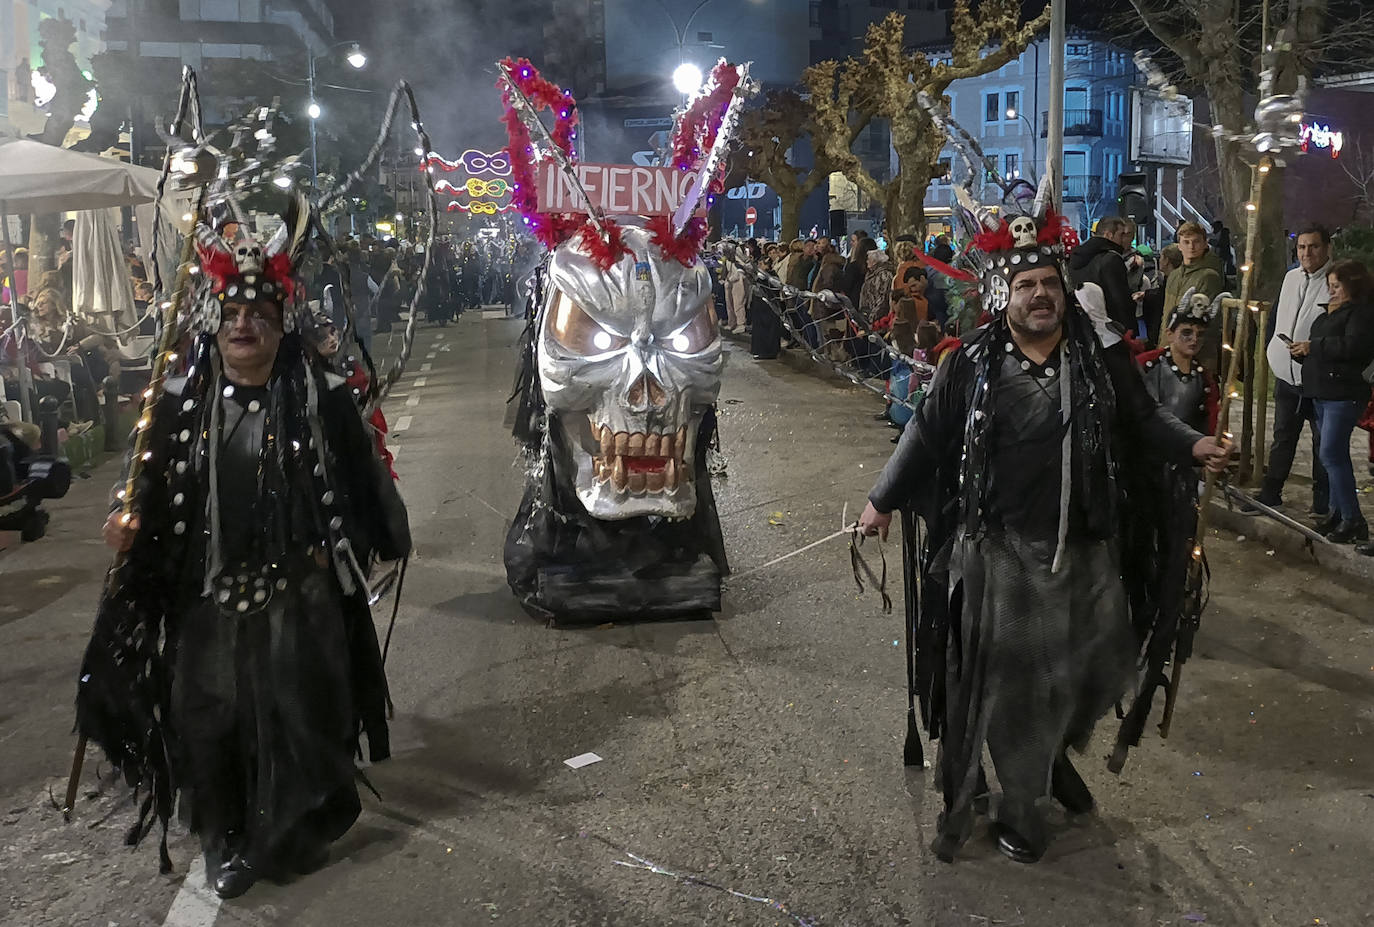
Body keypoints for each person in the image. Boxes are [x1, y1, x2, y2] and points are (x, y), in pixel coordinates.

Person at [857, 205, 1230, 865]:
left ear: (1063, 288)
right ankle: (1020, 807)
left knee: (1088, 673)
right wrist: (880, 500)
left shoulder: (1100, 354)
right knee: (1021, 687)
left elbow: (1144, 421)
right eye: (1026, 285)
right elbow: (926, 433)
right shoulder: (971, 361)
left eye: (1049, 284)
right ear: (1005, 293)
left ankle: (1050, 760)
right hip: (1001, 553)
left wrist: (1196, 444)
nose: (1039, 295)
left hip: (1085, 553)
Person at [77, 206, 410, 900]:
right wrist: (125, 516)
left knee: (297, 712)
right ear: (212, 322)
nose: (243, 324)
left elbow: (361, 479)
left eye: (259, 312)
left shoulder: (320, 397)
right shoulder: (178, 403)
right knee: (211, 715)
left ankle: (280, 832)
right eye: (231, 312)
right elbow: (142, 479)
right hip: (207, 590)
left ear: (281, 322)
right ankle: (229, 836)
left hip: (300, 592)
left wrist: (362, 538)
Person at [1287, 259, 1374, 543]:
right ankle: (1338, 515)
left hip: (1343, 394)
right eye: (1330, 286)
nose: (1331, 291)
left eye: (1337, 286)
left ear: (1353, 285)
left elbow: (1353, 347)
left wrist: (1315, 346)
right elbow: (1325, 346)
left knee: (1331, 454)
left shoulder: (1361, 314)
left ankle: (1353, 519)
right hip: (1323, 391)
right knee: (1333, 455)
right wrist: (1302, 351)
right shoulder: (1331, 313)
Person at [1250, 226, 1334, 516]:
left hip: (1320, 377)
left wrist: (1315, 349)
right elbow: (1276, 318)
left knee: (1324, 445)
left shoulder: (1336, 282)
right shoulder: (1290, 277)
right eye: (1301, 247)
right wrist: (1273, 347)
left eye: (1313, 247)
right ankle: (1271, 493)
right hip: (1287, 375)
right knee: (1283, 436)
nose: (1307, 253)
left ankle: (1322, 504)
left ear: (1327, 248)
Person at [1162, 222, 1225, 365]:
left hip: (1195, 354)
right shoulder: (1174, 275)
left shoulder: (1209, 276)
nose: (1191, 246)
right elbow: (1166, 314)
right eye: (1186, 242)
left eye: (1196, 242)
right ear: (1179, 245)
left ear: (1204, 244)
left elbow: (1208, 322)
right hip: (1169, 349)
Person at [1068, 216, 1137, 333]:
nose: (1123, 239)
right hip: (1112, 329)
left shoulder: (1076, 257)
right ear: (1109, 235)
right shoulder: (1112, 259)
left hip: (1083, 327)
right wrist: (1130, 329)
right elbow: (1120, 300)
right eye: (1121, 235)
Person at [1139, 244, 1182, 346]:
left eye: (1161, 257)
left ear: (1167, 260)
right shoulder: (1170, 279)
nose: (1159, 260)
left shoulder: (1172, 280)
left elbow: (1161, 298)